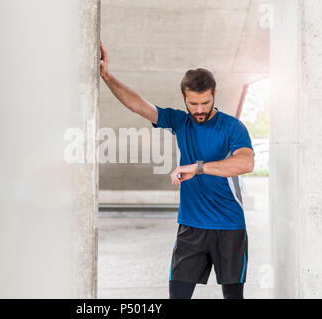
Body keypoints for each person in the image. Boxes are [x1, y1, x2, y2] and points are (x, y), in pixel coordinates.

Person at [99, 40, 255, 299]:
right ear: (184, 98)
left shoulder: (232, 127)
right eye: (193, 104)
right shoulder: (180, 122)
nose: (200, 110)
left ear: (214, 94)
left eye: (205, 102)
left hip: (229, 226)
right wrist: (106, 76)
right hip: (190, 228)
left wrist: (198, 167)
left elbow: (246, 163)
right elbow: (139, 105)